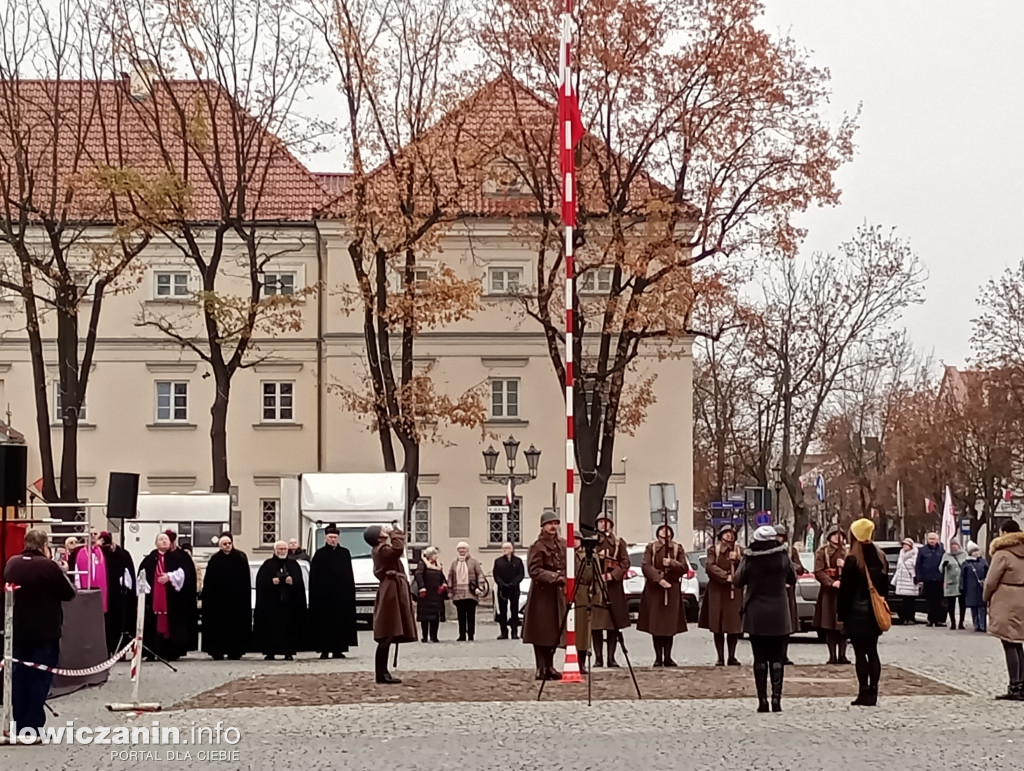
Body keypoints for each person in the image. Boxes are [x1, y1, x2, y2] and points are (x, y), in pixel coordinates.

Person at [2, 529, 76, 738]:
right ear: (45, 546)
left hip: (17, 630)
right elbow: (69, 593)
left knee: (18, 678)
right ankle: (33, 727)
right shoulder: (48, 566)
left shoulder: (12, 563)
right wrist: (62, 571)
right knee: (39, 678)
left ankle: (18, 723)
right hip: (45, 631)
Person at [734, 525, 796, 713]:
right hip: (779, 611)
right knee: (778, 658)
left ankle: (762, 701)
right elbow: (792, 578)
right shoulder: (783, 556)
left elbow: (737, 581)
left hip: (756, 612)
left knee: (760, 657)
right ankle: (776, 701)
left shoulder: (750, 557)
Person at [837, 518, 889, 707]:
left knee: (860, 653)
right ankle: (874, 692)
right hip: (874, 614)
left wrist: (841, 616)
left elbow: (845, 592)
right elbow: (885, 588)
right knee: (873, 651)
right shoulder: (880, 557)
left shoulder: (853, 559)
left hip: (856, 613)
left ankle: (863, 692)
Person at [368, 523, 417, 684]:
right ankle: (381, 673)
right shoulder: (382, 549)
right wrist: (394, 533)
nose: (384, 529)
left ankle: (383, 672)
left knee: (388, 633)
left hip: (391, 588)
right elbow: (397, 549)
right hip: (390, 591)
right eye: (382, 530)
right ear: (378, 536)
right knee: (387, 632)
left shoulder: (380, 549)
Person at [522, 509, 567, 681]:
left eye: (555, 523)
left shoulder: (562, 544)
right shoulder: (537, 546)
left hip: (557, 594)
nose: (553, 526)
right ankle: (541, 667)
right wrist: (555, 577)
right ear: (543, 526)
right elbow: (534, 570)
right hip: (542, 595)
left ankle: (550, 666)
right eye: (550, 524)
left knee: (555, 631)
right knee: (541, 632)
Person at [637, 524, 690, 667]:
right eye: (662, 529)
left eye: (667, 530)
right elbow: (646, 566)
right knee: (656, 624)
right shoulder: (651, 548)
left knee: (669, 624)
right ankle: (658, 657)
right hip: (655, 589)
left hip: (672, 589)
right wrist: (659, 578)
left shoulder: (678, 548)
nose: (664, 532)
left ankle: (668, 656)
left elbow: (684, 567)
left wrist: (671, 563)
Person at [983, 519, 1024, 701]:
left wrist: (986, 597)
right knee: (1018, 643)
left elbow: (991, 581)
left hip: (1006, 599)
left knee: (1009, 642)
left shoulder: (1003, 554)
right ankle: (1022, 685)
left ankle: (1014, 685)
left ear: (1004, 533)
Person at [137, 533, 194, 662]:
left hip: (172, 598)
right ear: (156, 543)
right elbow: (141, 575)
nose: (163, 542)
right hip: (153, 598)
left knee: (172, 622)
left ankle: (170, 651)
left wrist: (169, 577)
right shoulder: (150, 559)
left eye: (166, 540)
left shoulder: (177, 557)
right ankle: (152, 651)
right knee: (152, 623)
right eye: (160, 539)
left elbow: (183, 573)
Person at [308, 524, 357, 659]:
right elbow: (314, 577)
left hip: (341, 596)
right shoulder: (320, 554)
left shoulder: (344, 553)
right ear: (325, 538)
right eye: (330, 537)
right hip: (324, 597)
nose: (333, 540)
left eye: (335, 537)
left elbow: (348, 574)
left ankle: (338, 649)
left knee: (340, 623)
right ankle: (324, 650)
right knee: (324, 624)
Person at [201, 532, 252, 660]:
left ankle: (235, 651)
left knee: (235, 626)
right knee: (218, 627)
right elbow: (209, 581)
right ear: (220, 545)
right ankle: (217, 651)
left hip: (236, 600)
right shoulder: (215, 560)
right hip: (218, 601)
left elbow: (245, 579)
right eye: (225, 544)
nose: (227, 546)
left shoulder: (240, 557)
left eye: (229, 543)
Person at [698, 523, 744, 666]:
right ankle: (720, 657)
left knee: (733, 625)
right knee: (717, 625)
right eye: (726, 533)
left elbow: (748, 566)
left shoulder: (740, 550)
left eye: (731, 533)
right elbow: (710, 567)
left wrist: (738, 560)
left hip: (734, 591)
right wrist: (725, 576)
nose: (729, 535)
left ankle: (732, 656)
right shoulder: (713, 550)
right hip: (717, 591)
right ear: (721, 535)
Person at [253, 541, 307, 660]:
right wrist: (271, 582)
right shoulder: (267, 565)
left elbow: (299, 582)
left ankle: (288, 652)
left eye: (284, 549)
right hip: (272, 605)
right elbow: (261, 582)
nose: (282, 551)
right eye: (280, 549)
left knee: (289, 629)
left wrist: (292, 581)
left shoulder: (293, 565)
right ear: (275, 550)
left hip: (289, 605)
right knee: (271, 629)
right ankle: (270, 652)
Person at [589, 513, 631, 668]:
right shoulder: (592, 542)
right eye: (600, 522)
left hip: (613, 587)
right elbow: (585, 561)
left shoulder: (619, 543)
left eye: (606, 522)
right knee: (596, 625)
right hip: (596, 587)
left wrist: (613, 575)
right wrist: (597, 559)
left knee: (613, 625)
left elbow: (625, 562)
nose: (603, 524)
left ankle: (611, 658)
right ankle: (598, 658)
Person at [813, 526, 849, 665]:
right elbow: (819, 571)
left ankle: (843, 655)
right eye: (834, 535)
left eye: (839, 535)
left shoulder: (848, 551)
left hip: (844, 591)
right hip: (829, 593)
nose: (837, 537)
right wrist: (831, 583)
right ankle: (832, 655)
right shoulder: (823, 552)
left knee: (843, 625)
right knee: (829, 625)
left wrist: (844, 566)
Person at [99, 532, 137, 656]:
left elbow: (129, 573)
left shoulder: (122, 554)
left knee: (118, 621)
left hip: (118, 595)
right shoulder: (96, 554)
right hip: (102, 594)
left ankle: (120, 649)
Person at [165, 530, 199, 651]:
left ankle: (179, 647)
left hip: (180, 598)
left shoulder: (183, 556)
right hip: (164, 596)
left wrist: (172, 578)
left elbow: (189, 575)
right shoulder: (158, 556)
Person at [777, 525, 803, 664]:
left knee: (787, 626)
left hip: (788, 592)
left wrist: (789, 564)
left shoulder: (790, 551)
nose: (778, 538)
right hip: (774, 591)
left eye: (780, 536)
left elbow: (800, 569)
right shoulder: (768, 550)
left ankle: (784, 654)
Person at [447, 541, 484, 642]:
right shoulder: (454, 563)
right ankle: (462, 634)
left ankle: (471, 634)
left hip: (470, 593)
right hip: (458, 593)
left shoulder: (474, 562)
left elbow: (479, 575)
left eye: (463, 549)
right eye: (460, 549)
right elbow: (450, 577)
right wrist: (450, 591)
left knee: (471, 615)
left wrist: (480, 587)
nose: (462, 551)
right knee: (461, 615)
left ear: (467, 550)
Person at [413, 546, 447, 642]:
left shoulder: (438, 565)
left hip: (436, 594)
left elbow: (442, 576)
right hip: (426, 594)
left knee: (435, 617)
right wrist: (422, 587)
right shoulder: (422, 564)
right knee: (425, 617)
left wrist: (444, 584)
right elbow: (418, 575)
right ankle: (424, 636)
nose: (436, 556)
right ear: (430, 556)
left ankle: (434, 636)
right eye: (434, 554)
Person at [493, 542, 525, 640]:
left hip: (514, 589)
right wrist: (502, 584)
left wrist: (513, 583)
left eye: (507, 548)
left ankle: (514, 632)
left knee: (514, 610)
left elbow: (521, 574)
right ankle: (503, 632)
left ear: (512, 549)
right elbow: (496, 575)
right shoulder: (498, 561)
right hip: (502, 589)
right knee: (502, 611)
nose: (505, 550)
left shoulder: (518, 561)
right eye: (504, 548)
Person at [73, 528, 107, 617]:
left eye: (95, 534)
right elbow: (77, 572)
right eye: (90, 534)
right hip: (85, 587)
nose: (92, 536)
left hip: (100, 587)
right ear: (85, 537)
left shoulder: (103, 551)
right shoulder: (80, 552)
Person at [915, 531, 946, 627]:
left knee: (938, 600)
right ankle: (930, 619)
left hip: (939, 579)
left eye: (934, 539)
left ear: (937, 540)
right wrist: (919, 578)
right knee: (929, 600)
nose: (932, 541)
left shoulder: (942, 551)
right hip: (927, 579)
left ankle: (938, 620)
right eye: (930, 539)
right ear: (927, 540)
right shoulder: (923, 550)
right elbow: (918, 565)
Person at [960, 541, 988, 633]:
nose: (976, 553)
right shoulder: (966, 563)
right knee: (974, 608)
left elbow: (988, 573)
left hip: (981, 588)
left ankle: (983, 625)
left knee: (982, 607)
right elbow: (962, 576)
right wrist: (962, 587)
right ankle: (976, 625)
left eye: (977, 551)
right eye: (974, 551)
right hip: (970, 588)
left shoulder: (983, 562)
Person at [891, 538, 920, 625]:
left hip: (911, 581)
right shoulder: (901, 554)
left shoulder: (915, 555)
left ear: (910, 546)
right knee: (904, 602)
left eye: (906, 545)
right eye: (903, 544)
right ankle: (905, 618)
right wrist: (894, 581)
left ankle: (911, 618)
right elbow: (898, 569)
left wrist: (917, 578)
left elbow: (916, 568)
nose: (904, 546)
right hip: (902, 581)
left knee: (911, 601)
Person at [940, 539, 967, 630]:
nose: (953, 547)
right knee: (951, 604)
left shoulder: (964, 555)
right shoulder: (946, 555)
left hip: (961, 583)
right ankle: (953, 623)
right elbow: (940, 569)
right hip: (950, 583)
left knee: (962, 604)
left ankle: (961, 623)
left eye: (955, 545)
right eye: (952, 545)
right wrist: (944, 565)